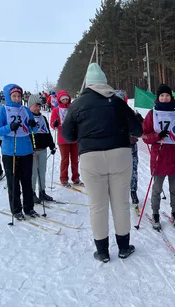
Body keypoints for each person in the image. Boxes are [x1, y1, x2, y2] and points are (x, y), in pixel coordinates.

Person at [62, 63, 143, 262]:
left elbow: (67, 135)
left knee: (97, 206)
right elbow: (137, 131)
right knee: (121, 203)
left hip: (91, 158)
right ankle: (124, 247)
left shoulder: (77, 104)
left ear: (88, 83)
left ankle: (103, 251)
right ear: (105, 81)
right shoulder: (117, 101)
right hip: (120, 155)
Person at [142, 84, 175, 229]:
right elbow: (145, 137)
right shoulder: (151, 114)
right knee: (157, 189)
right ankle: (155, 214)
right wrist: (157, 136)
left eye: (167, 95)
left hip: (174, 156)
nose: (165, 98)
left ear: (170, 97)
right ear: (158, 98)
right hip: (159, 155)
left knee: (174, 189)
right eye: (162, 96)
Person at [0, 84, 39, 220]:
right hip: (10, 152)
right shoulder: (2, 111)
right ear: (8, 96)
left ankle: (29, 208)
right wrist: (9, 127)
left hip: (26, 151)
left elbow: (34, 130)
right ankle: (16, 210)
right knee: (13, 183)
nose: (17, 98)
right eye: (14, 96)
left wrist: (33, 125)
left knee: (27, 181)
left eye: (19, 96)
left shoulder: (25, 110)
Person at [114, 90, 144, 205]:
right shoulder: (108, 113)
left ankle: (133, 191)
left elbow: (140, 130)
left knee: (133, 169)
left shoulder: (129, 111)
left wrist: (140, 121)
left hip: (131, 145)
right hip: (116, 147)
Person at [50, 90, 83, 188]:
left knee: (75, 160)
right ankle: (64, 179)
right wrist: (54, 124)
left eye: (66, 99)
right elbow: (52, 123)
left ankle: (76, 178)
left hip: (74, 138)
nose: (65, 101)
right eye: (63, 99)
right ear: (59, 100)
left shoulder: (73, 108)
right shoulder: (56, 110)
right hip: (63, 138)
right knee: (65, 160)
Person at [28, 95, 56, 204]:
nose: (38, 108)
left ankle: (42, 191)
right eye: (35, 106)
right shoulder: (28, 117)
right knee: (33, 173)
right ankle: (32, 193)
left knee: (42, 172)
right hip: (32, 150)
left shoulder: (43, 118)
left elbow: (47, 133)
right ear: (30, 106)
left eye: (39, 106)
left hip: (43, 149)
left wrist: (52, 145)